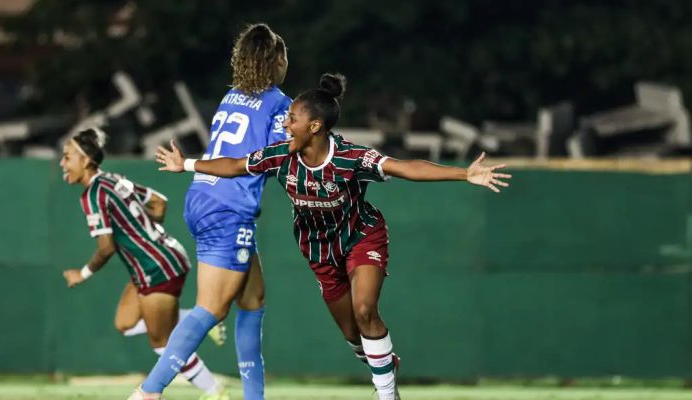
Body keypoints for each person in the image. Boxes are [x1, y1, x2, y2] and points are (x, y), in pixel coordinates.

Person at [154, 73, 512, 400]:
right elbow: (233, 165)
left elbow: (405, 168)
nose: (284, 122)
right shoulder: (280, 156)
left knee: (364, 309)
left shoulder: (350, 157)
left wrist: (465, 174)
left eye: (291, 118)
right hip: (320, 253)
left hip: (361, 237)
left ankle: (388, 394)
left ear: (314, 125)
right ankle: (384, 363)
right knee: (355, 337)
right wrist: (185, 164)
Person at [129, 23, 291, 400]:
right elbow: (278, 158)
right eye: (284, 58)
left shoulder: (231, 96)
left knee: (253, 302)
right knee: (212, 308)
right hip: (229, 207)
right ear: (276, 61)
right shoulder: (279, 103)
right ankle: (149, 392)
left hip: (203, 196)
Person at [59, 128, 227, 400]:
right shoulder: (114, 180)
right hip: (160, 259)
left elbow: (106, 248)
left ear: (86, 160)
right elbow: (159, 203)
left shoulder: (92, 195)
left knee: (162, 342)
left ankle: (215, 392)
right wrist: (143, 233)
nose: (62, 164)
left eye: (67, 157)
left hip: (157, 268)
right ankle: (194, 320)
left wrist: (82, 273)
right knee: (125, 323)